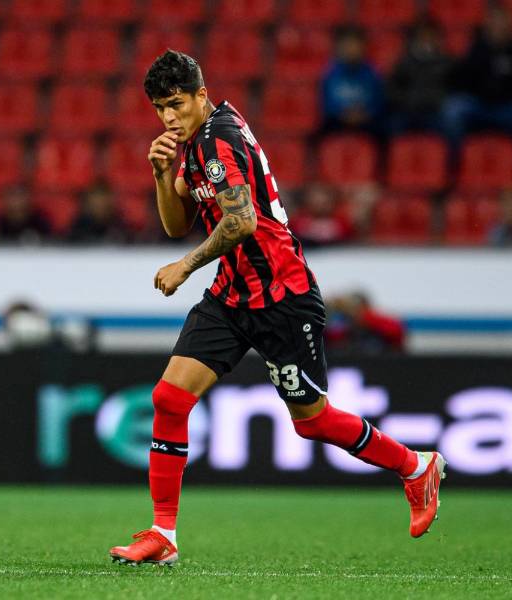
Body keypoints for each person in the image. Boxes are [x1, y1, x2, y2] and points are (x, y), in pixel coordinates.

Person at [109, 50, 445, 567]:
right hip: (231, 296)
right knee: (170, 399)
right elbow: (177, 223)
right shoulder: (194, 145)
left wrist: (185, 266)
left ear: (201, 95)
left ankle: (415, 466)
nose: (168, 117)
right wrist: (161, 174)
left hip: (283, 298)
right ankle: (163, 533)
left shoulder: (218, 140)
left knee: (312, 421)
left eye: (176, 104)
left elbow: (241, 221)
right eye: (159, 108)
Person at [442, 4, 512, 154]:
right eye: (494, 22)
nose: (498, 26)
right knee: (453, 110)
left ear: (510, 24)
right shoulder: (477, 48)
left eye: (501, 21)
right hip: (481, 106)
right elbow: (461, 81)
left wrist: (509, 78)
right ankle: (456, 161)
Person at [387, 19, 453, 135]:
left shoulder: (447, 62)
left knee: (452, 119)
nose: (427, 40)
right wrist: (406, 101)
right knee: (391, 124)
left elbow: (455, 87)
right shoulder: (404, 62)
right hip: (408, 112)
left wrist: (440, 100)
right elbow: (392, 88)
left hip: (437, 112)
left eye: (430, 36)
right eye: (423, 36)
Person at [318, 28, 386, 138]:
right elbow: (327, 104)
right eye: (347, 45)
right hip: (337, 120)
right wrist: (342, 114)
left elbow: (378, 102)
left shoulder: (373, 73)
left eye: (354, 45)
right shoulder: (330, 73)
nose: (351, 50)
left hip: (367, 121)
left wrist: (365, 114)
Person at [325, 291, 406, 355]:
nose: (353, 311)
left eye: (355, 307)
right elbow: (331, 334)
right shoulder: (343, 323)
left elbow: (396, 330)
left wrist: (365, 318)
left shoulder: (373, 319)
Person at [287, 184, 352, 247]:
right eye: (316, 200)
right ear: (308, 201)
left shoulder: (341, 223)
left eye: (324, 201)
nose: (320, 204)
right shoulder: (298, 223)